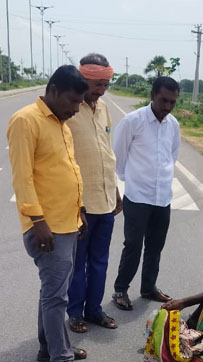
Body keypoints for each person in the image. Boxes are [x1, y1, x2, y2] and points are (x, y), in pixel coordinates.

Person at [7, 65, 90, 362]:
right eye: (72, 100)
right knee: (57, 297)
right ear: (53, 90)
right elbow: (23, 177)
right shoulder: (26, 120)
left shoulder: (62, 123)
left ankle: (49, 348)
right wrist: (37, 221)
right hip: (47, 227)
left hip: (66, 222)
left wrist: (79, 210)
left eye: (80, 102)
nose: (75, 108)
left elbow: (68, 168)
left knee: (53, 293)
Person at [112, 76, 181, 310]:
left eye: (172, 102)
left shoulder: (174, 125)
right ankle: (121, 289)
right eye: (163, 100)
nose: (167, 107)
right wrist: (127, 182)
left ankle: (148, 287)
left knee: (155, 246)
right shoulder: (133, 121)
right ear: (152, 95)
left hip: (163, 198)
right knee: (132, 245)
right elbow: (119, 156)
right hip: (138, 196)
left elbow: (172, 156)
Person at [66, 53, 121, 332]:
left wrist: (116, 192)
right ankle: (74, 312)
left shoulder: (103, 108)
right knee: (78, 265)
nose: (101, 90)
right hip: (81, 206)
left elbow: (107, 153)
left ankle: (94, 309)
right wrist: (75, 205)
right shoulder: (70, 110)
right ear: (82, 79)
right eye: (96, 84)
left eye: (105, 84)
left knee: (100, 261)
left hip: (106, 201)